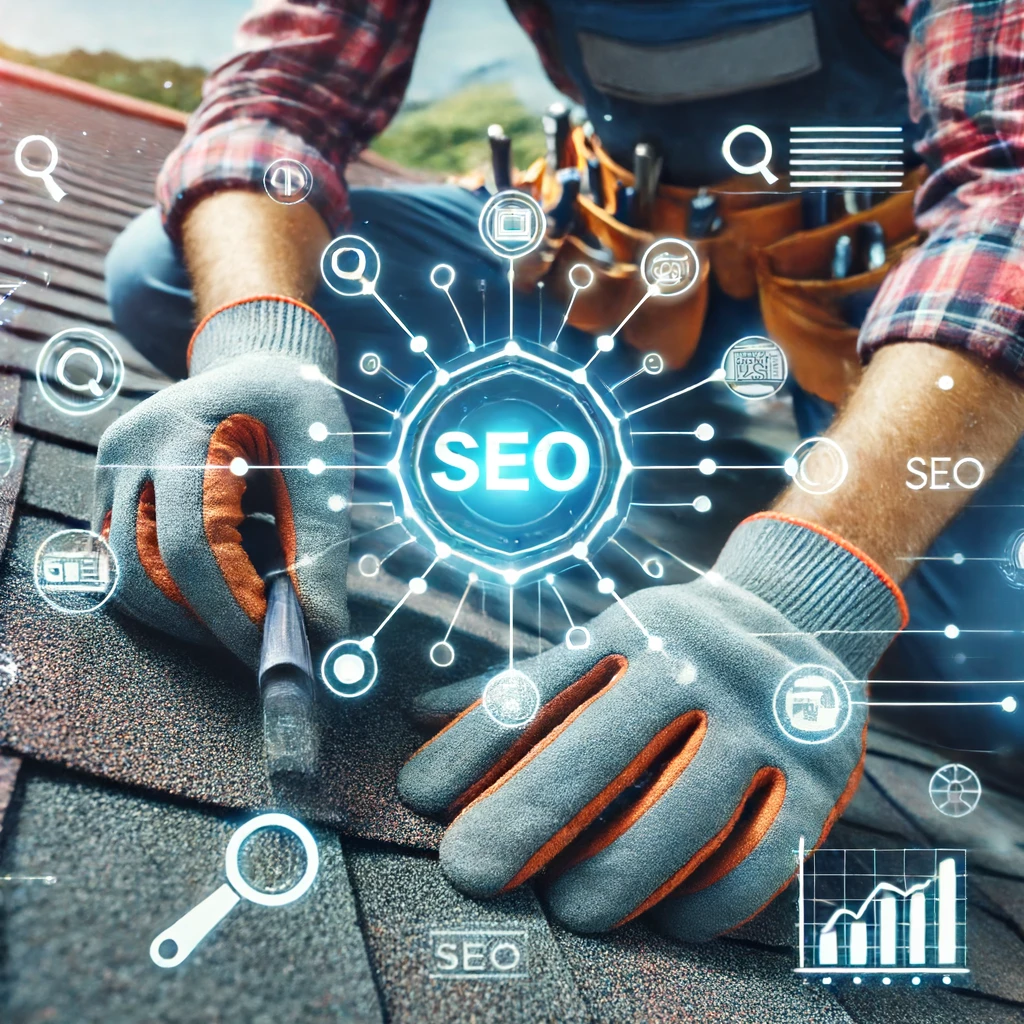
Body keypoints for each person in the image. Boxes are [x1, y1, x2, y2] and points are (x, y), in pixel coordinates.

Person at [98, 0, 1024, 941]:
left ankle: (820, 486)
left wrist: (802, 594)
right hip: (621, 269)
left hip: (891, 288)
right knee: (172, 276)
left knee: (986, 670)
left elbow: (1010, 194)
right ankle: (701, 462)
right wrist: (259, 340)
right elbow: (281, 100)